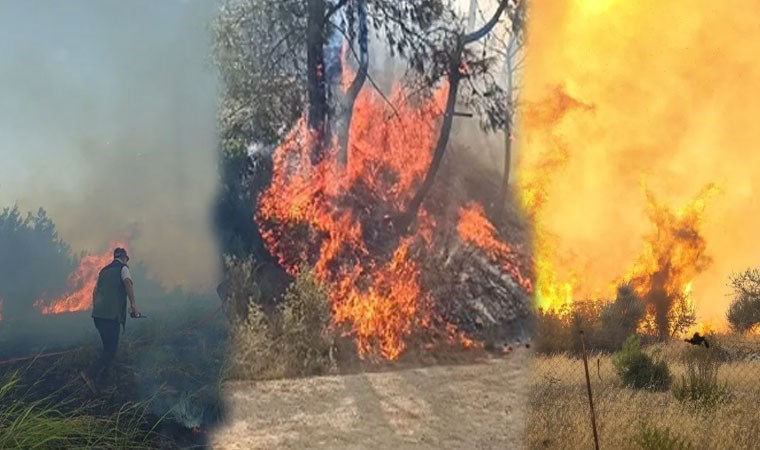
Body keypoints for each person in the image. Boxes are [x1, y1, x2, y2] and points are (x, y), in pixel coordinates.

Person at [80, 247, 140, 394]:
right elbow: (127, 283)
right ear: (124, 258)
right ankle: (89, 374)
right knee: (111, 351)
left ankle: (103, 382)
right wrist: (133, 305)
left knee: (108, 349)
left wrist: (98, 307)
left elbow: (95, 291)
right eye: (127, 259)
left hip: (98, 316)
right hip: (111, 317)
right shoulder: (123, 268)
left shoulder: (103, 271)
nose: (127, 261)